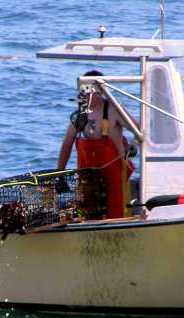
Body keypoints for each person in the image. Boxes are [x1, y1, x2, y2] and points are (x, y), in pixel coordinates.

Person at [57, 70, 136, 219]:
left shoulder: (114, 110)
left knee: (116, 217)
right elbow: (66, 146)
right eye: (83, 92)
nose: (85, 96)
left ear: (101, 91)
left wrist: (134, 144)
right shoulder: (79, 115)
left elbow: (138, 129)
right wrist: (60, 174)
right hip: (89, 182)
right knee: (88, 216)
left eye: (89, 91)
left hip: (114, 180)